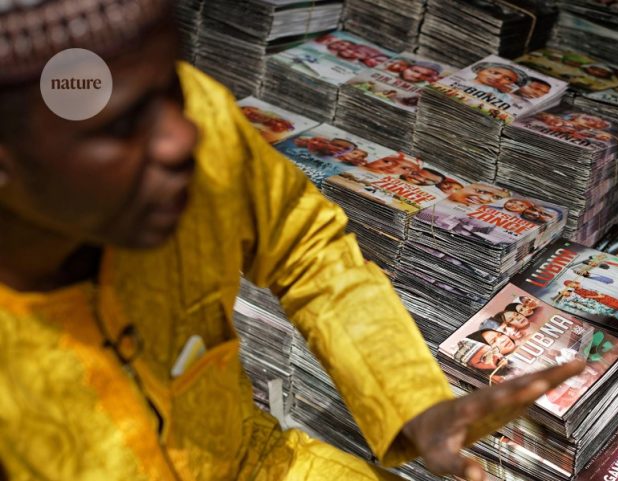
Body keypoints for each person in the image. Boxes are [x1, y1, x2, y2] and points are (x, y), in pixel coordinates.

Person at [0, 3, 587, 480]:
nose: (183, 138)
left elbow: (306, 246)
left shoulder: (202, 127)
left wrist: (417, 404)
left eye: (173, 88)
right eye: (122, 125)